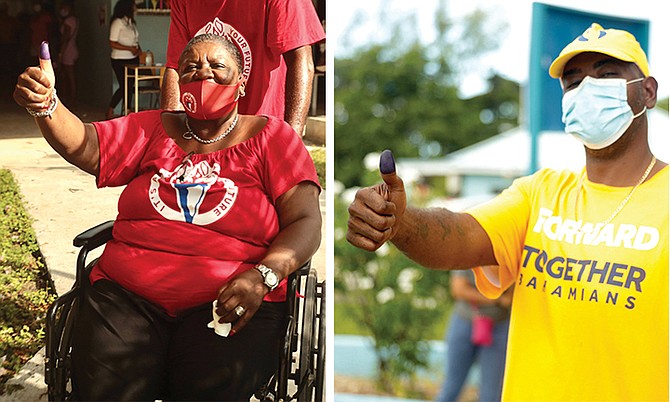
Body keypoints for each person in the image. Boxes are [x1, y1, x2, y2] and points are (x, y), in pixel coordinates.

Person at [346, 23, 668, 401]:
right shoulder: (540, 193)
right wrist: (400, 222)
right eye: (574, 81)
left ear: (647, 91)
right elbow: (461, 235)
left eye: (607, 73)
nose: (588, 89)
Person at [14, 33, 322, 400]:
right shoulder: (153, 128)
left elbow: (305, 221)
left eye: (217, 66)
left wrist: (264, 276)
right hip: (127, 296)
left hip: (231, 299)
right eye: (190, 67)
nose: (202, 73)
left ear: (241, 84)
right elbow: (86, 144)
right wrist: (47, 105)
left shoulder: (273, 138)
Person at [160, 0, 326, 136]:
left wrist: (291, 140)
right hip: (206, 135)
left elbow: (301, 61)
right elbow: (175, 68)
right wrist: (169, 137)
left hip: (263, 130)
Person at [436, 269, 511, 402]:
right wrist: (498, 299)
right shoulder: (469, 254)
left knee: (491, 394)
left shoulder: (512, 256)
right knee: (451, 388)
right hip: (465, 323)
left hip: (499, 327)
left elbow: (513, 297)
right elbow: (459, 290)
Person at [106, 0, 141, 119]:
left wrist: (137, 50)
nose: (135, 8)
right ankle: (111, 109)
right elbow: (112, 42)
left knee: (130, 85)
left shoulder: (130, 22)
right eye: (133, 6)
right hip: (119, 59)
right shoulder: (117, 22)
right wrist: (129, 48)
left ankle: (128, 109)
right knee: (124, 85)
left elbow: (134, 40)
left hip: (133, 58)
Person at [57, 1, 78, 108]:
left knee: (68, 75)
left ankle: (70, 98)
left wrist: (60, 53)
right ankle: (71, 97)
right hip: (73, 48)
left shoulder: (68, 22)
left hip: (67, 50)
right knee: (70, 74)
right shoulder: (74, 20)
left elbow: (65, 38)